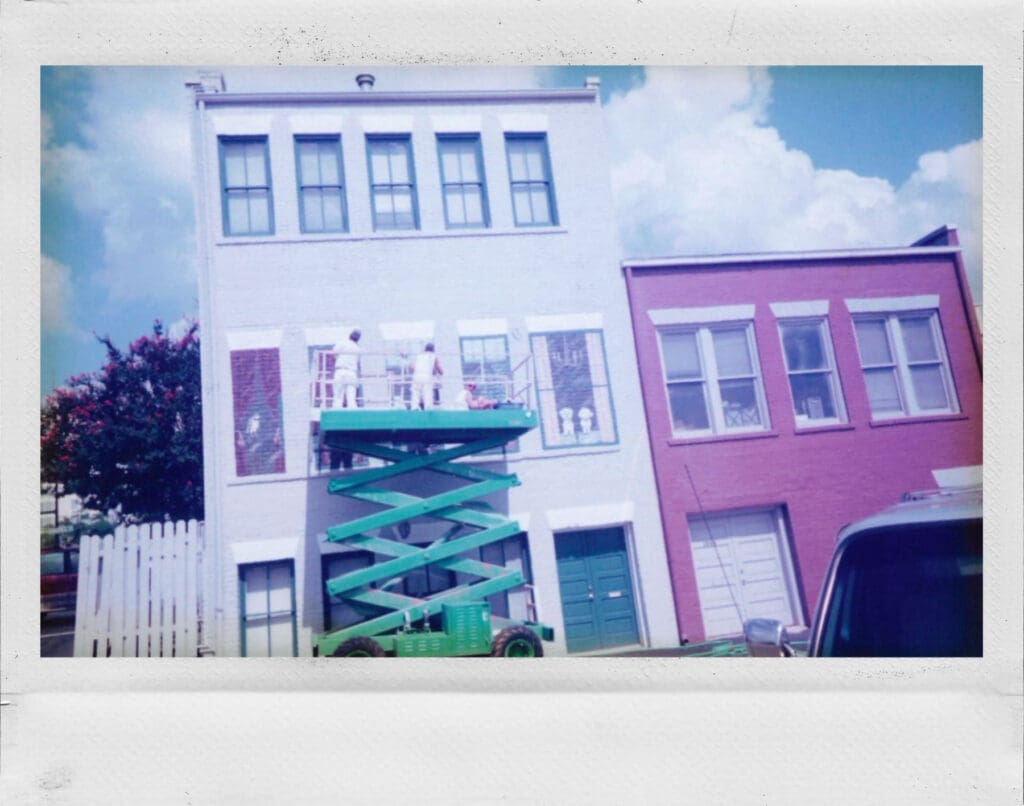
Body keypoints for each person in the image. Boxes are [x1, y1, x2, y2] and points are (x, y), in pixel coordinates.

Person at [332, 329, 362, 409]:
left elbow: (334, 353)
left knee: (338, 395)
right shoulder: (357, 348)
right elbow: (357, 362)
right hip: (351, 372)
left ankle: (336, 410)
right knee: (351, 396)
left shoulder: (342, 343)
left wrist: (338, 359)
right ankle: (352, 411)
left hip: (340, 370)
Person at [410, 342, 443, 410]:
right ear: (433, 349)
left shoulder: (419, 355)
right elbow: (439, 369)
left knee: (416, 392)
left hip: (417, 376)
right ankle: (428, 408)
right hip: (427, 376)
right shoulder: (433, 356)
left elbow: (412, 367)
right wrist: (441, 372)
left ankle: (414, 407)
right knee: (427, 393)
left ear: (425, 348)